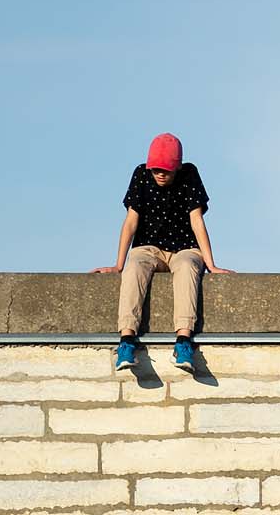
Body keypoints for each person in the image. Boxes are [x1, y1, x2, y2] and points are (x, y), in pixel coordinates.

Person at [93, 133, 229, 372]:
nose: (160, 174)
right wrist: (118, 265)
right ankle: (126, 341)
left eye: (166, 170)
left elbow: (196, 220)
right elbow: (131, 222)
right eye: (156, 169)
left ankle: (183, 342)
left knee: (187, 267)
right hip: (149, 247)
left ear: (177, 167)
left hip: (184, 248)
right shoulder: (141, 174)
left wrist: (211, 265)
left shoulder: (190, 174)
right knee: (135, 265)